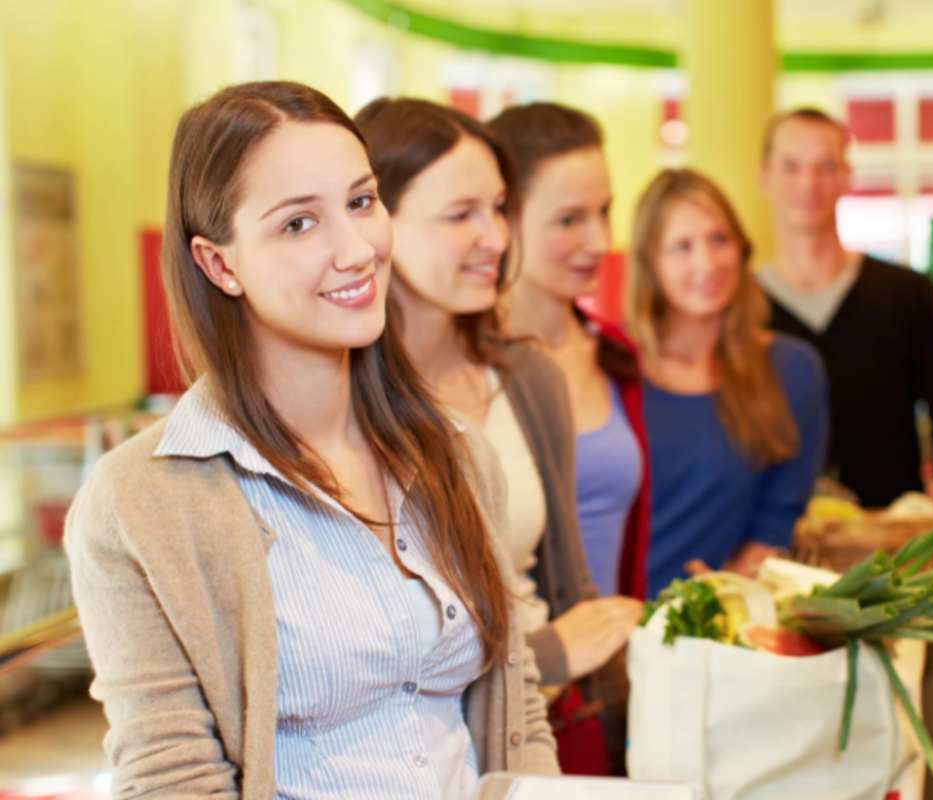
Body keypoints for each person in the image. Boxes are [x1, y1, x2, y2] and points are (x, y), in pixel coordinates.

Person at [63, 81, 556, 799]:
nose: (357, 251)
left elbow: (520, 713)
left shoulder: (459, 456)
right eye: (299, 224)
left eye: (361, 202)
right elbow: (171, 777)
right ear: (219, 264)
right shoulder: (141, 502)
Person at [355, 97, 638, 776]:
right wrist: (546, 654)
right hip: (404, 766)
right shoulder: (340, 403)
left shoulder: (529, 378)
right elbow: (359, 661)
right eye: (462, 215)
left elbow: (562, 579)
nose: (497, 237)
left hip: (543, 734)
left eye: (499, 208)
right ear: (374, 223)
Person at [758, 107, 933, 511]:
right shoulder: (741, 307)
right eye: (790, 166)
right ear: (765, 177)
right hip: (772, 548)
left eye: (825, 166)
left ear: (847, 176)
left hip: (894, 548)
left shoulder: (907, 293)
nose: (808, 183)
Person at [626, 167, 829, 596]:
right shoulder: (613, 372)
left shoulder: (793, 371)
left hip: (715, 627)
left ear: (741, 248)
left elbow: (776, 520)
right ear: (650, 263)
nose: (707, 262)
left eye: (719, 240)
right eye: (681, 247)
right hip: (607, 624)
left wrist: (723, 595)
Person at [488, 103, 650, 603]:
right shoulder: (462, 367)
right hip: (524, 670)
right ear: (502, 218)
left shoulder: (614, 353)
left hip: (611, 666)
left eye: (604, 212)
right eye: (569, 220)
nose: (600, 241)